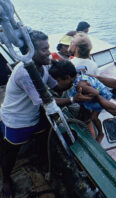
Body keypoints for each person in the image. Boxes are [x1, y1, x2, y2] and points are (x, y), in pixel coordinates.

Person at [0, 30, 58, 198]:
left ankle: (42, 163)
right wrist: (71, 100)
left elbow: (53, 84)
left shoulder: (45, 64)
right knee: (10, 153)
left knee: (42, 138)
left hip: (34, 115)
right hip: (17, 119)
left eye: (48, 47)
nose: (48, 52)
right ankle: (5, 179)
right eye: (44, 49)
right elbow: (43, 100)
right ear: (30, 52)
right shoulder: (24, 73)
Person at [49, 60, 112, 142]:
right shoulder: (76, 75)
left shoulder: (80, 84)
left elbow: (95, 92)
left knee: (94, 117)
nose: (56, 84)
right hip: (92, 92)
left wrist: (86, 98)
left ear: (68, 77)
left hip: (102, 96)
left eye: (58, 81)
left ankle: (100, 133)